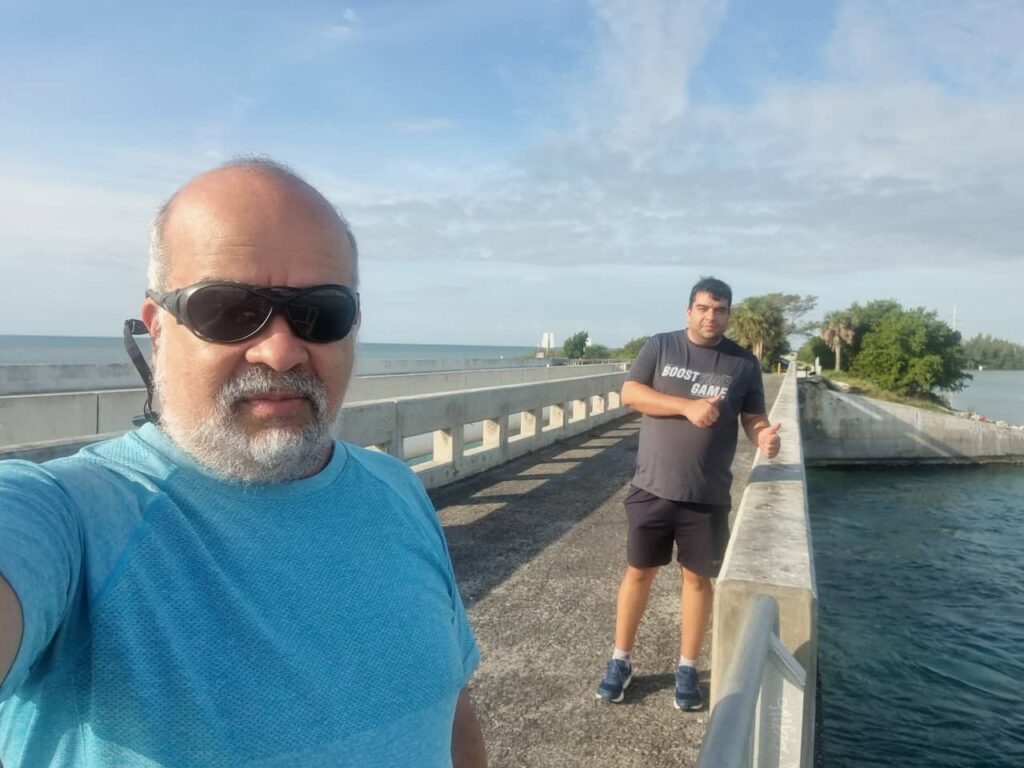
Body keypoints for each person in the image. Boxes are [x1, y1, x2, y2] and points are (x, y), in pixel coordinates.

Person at [0, 158, 487, 767]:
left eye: (320, 313)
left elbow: (452, 708)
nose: (281, 351)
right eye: (228, 309)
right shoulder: (68, 517)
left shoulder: (398, 490)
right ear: (158, 330)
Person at [595, 276, 781, 710]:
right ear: (688, 310)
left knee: (697, 580)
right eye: (702, 308)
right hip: (651, 486)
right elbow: (631, 393)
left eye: (719, 310)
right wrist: (687, 405)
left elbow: (753, 417)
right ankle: (620, 660)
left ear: (729, 314)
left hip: (707, 494)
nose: (710, 316)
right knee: (638, 571)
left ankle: (686, 666)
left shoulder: (743, 363)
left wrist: (764, 438)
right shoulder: (660, 347)